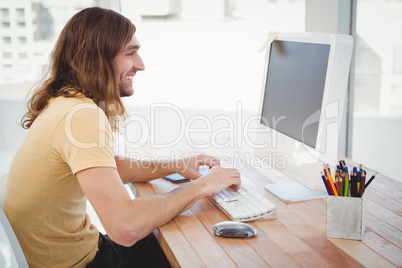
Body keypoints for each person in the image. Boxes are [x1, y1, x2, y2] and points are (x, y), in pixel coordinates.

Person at [4, 7, 241, 268]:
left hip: (69, 254)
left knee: (172, 236)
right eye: (130, 53)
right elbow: (125, 227)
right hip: (79, 263)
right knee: (195, 249)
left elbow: (106, 166)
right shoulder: (81, 116)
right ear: (97, 59)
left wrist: (176, 165)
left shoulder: (64, 102)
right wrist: (202, 187)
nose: (140, 65)